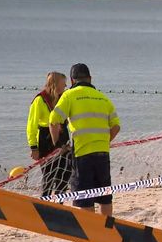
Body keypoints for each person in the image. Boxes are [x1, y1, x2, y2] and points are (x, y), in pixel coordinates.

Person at [49, 63, 120, 216]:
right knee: (105, 197)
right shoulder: (103, 98)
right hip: (102, 153)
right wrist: (104, 141)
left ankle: (89, 236)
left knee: (84, 199)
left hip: (82, 154)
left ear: (72, 80)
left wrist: (58, 144)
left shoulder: (69, 95)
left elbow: (53, 121)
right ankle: (105, 233)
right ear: (90, 79)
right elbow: (116, 126)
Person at [26, 72, 71, 197]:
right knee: (49, 176)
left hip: (63, 136)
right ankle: (45, 204)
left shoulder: (63, 98)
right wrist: (33, 147)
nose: (66, 86)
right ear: (55, 84)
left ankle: (59, 204)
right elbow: (31, 125)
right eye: (63, 83)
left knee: (64, 175)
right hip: (46, 138)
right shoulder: (39, 100)